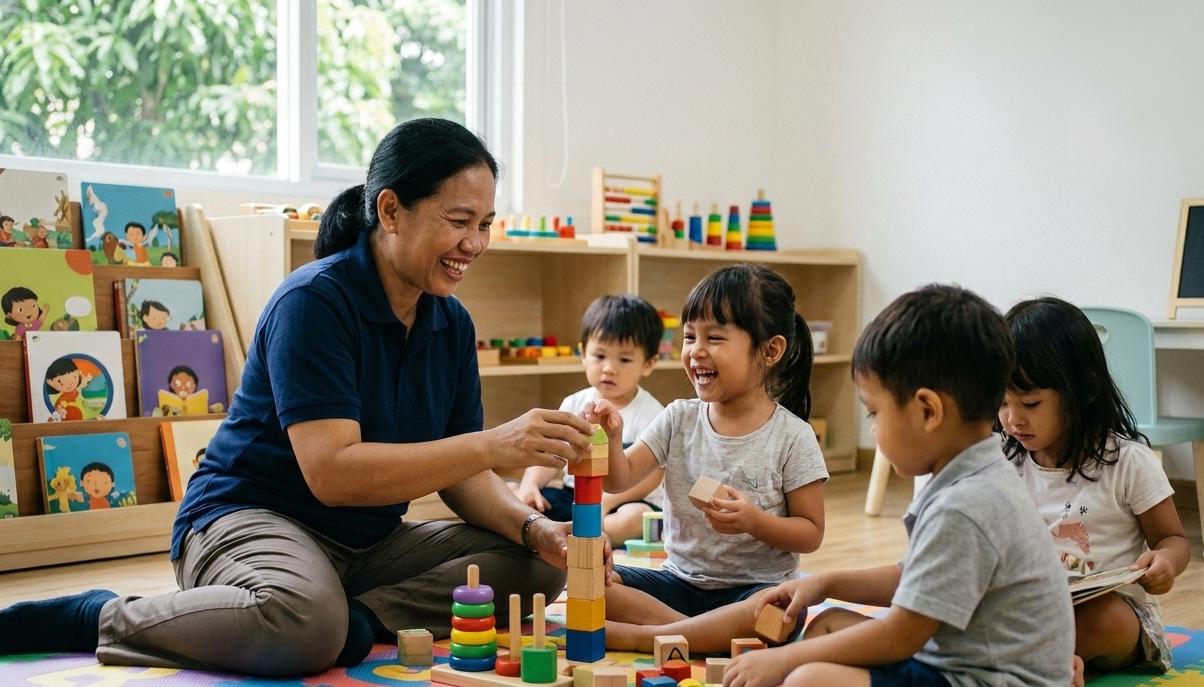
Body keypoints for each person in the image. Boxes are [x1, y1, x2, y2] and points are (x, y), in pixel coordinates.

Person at [0, 118, 605, 677]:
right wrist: (493, 442)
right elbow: (333, 474)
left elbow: (465, 481)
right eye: (458, 220)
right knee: (303, 627)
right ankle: (94, 615)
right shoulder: (313, 302)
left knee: (534, 569)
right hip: (249, 517)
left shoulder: (451, 325)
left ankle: (358, 620)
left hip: (364, 545)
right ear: (390, 210)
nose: (474, 243)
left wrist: (535, 529)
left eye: (485, 223)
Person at [722, 284, 1075, 687]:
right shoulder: (973, 478)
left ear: (927, 411)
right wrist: (826, 583)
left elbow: (900, 635)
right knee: (830, 624)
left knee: (808, 678)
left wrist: (783, 661)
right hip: (956, 664)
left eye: (875, 412)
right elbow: (916, 577)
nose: (873, 430)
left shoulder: (966, 504)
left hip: (987, 679)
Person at [594, 264, 827, 653]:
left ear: (771, 350)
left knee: (777, 612)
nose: (695, 351)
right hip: (678, 584)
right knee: (597, 582)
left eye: (714, 337)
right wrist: (611, 438)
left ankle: (646, 637)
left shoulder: (793, 437)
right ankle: (701, 635)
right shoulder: (677, 417)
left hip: (753, 591)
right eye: (689, 336)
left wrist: (755, 521)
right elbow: (618, 480)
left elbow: (811, 532)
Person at [998, 297, 1189, 682]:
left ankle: (1031, 661)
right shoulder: (1004, 462)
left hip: (1113, 619)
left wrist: (1165, 563)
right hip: (1030, 611)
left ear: (1082, 392)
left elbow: (1172, 538)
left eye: (1030, 403)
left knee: (1104, 617)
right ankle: (1046, 663)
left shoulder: (1128, 462)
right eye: (1001, 402)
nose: (1012, 419)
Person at [514, 294, 667, 543]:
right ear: (584, 354)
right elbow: (550, 451)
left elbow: (652, 476)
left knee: (633, 517)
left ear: (648, 364)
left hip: (624, 501)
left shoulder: (653, 414)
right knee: (515, 497)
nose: (608, 368)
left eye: (624, 359)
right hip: (575, 496)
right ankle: (564, 532)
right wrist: (530, 485)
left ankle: (582, 534)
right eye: (600, 356)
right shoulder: (574, 403)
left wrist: (607, 501)